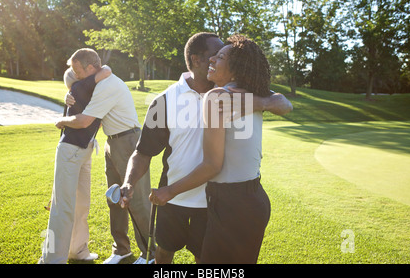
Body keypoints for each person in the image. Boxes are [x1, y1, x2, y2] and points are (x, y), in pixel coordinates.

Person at [119, 32, 292, 264]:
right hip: (173, 199)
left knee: (205, 259)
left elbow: (284, 103)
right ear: (196, 59)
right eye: (214, 55)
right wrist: (129, 183)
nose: (215, 60)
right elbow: (143, 152)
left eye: (221, 57)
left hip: (213, 202)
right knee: (163, 252)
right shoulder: (164, 101)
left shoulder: (240, 91)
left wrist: (261, 102)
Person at [55, 49, 155, 264]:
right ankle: (121, 250)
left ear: (90, 68)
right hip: (113, 142)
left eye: (77, 70)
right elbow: (82, 99)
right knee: (114, 198)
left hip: (128, 142)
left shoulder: (107, 85)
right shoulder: (97, 83)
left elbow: (84, 121)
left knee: (136, 200)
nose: (75, 75)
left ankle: (150, 255)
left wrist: (62, 121)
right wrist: (70, 95)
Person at [39, 48, 111, 264]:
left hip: (85, 150)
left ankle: (78, 250)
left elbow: (104, 70)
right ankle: (52, 259)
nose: (78, 74)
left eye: (78, 70)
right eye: (75, 72)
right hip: (71, 149)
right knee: (63, 208)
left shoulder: (85, 88)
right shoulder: (81, 86)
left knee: (81, 204)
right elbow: (106, 70)